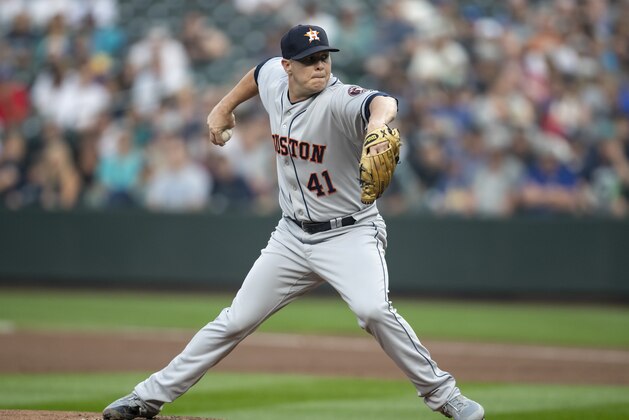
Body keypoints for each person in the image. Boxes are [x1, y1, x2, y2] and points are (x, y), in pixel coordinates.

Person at [103, 24, 485, 420]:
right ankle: (145, 398)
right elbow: (258, 72)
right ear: (289, 66)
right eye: (309, 60)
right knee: (234, 321)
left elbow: (383, 102)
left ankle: (446, 395)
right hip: (290, 237)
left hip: (349, 232)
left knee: (373, 311)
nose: (320, 66)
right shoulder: (274, 79)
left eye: (324, 57)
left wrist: (377, 126)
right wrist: (222, 107)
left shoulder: (339, 100)